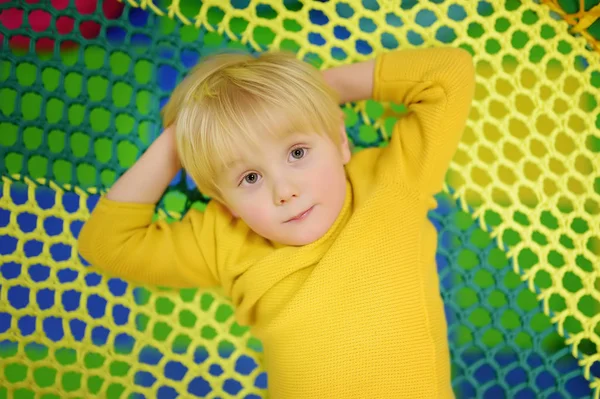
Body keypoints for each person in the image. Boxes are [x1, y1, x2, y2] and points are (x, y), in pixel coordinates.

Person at [78, 46, 475, 398]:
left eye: (298, 152)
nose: (284, 191)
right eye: (249, 178)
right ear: (224, 201)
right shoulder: (225, 238)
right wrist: (177, 143)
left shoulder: (391, 182)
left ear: (339, 141)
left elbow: (447, 75)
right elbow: (106, 245)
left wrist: (310, 93)